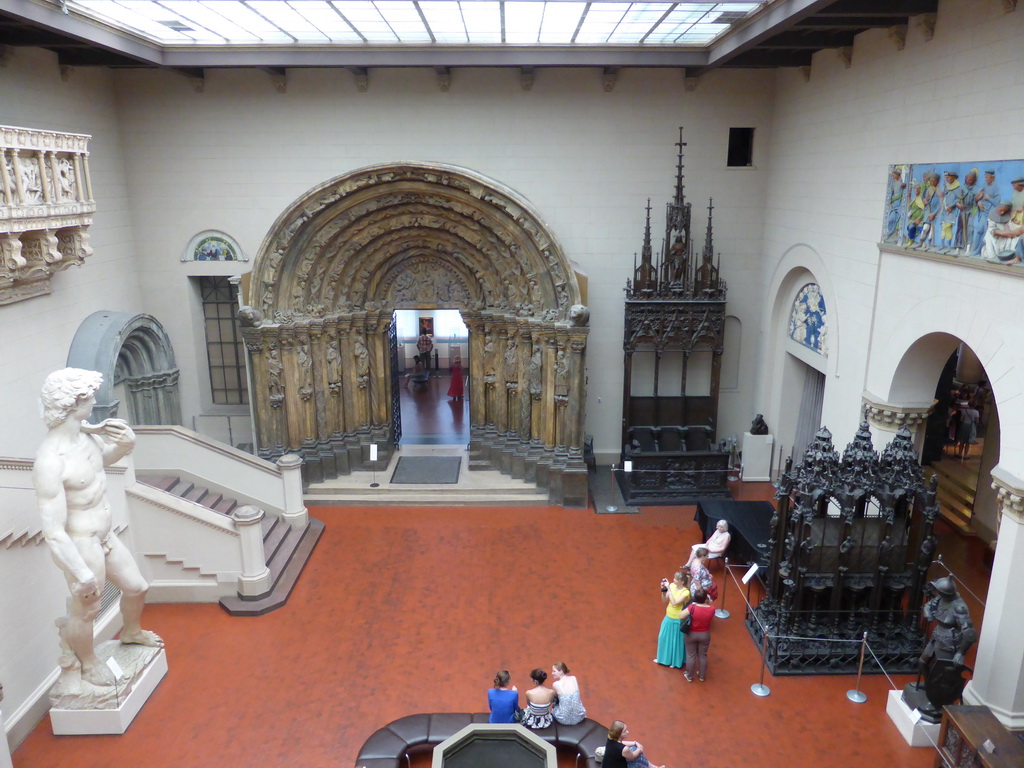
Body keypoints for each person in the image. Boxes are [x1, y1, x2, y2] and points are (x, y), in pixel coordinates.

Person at [33, 368, 163, 687]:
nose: (94, 401)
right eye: (89, 396)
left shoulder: (87, 434)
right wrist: (81, 572)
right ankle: (89, 664)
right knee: (86, 610)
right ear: (74, 403)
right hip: (81, 544)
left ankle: (131, 632)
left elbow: (99, 462)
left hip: (104, 535)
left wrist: (125, 445)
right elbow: (53, 530)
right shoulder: (50, 461)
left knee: (136, 587)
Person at [654, 571, 689, 669]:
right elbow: (664, 600)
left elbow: (674, 603)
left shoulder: (685, 592)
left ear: (682, 582)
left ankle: (675, 662)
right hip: (668, 616)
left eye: (676, 579)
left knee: (676, 641)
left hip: (678, 618)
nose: (674, 580)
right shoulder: (672, 586)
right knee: (663, 637)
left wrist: (669, 589)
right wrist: (663, 591)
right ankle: (662, 658)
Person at [680, 586, 716, 683]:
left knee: (691, 655)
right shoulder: (712, 609)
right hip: (704, 634)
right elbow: (710, 603)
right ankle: (701, 675)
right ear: (705, 598)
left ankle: (689, 676)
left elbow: (681, 615)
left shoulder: (692, 607)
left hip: (691, 633)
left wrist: (692, 604)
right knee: (703, 655)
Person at [600, 720, 665, 768]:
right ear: (619, 734)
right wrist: (639, 749)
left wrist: (634, 743)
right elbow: (633, 756)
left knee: (634, 748)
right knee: (638, 757)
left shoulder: (611, 738)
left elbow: (621, 744)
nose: (628, 732)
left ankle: (654, 767)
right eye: (625, 731)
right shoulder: (624, 749)